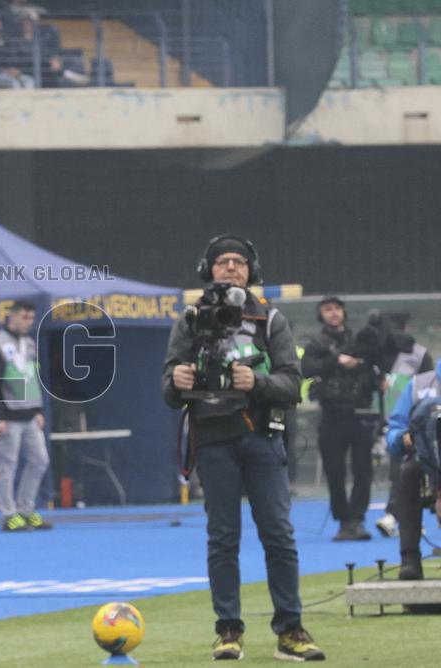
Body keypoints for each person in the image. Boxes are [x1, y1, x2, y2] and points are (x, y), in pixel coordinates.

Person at [163, 234, 325, 662]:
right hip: (214, 442)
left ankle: (290, 630)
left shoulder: (270, 320)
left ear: (252, 271)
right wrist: (176, 381)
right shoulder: (191, 320)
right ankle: (228, 630)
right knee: (222, 538)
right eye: (222, 262)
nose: (231, 267)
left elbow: (293, 386)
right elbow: (167, 390)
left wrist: (258, 383)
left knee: (279, 534)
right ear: (208, 269)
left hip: (263, 439)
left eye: (239, 261)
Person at [302, 296, 379, 541]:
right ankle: (343, 519)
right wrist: (336, 360)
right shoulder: (316, 344)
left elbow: (377, 362)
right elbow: (307, 367)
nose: (333, 313)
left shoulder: (359, 339)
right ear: (321, 315)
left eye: (337, 309)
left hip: (359, 413)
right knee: (334, 472)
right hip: (332, 414)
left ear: (344, 312)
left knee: (363, 470)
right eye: (328, 309)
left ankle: (357, 518)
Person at [0, 299, 52, 531]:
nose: (29, 322)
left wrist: (38, 410)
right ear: (12, 316)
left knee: (40, 460)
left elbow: (32, 378)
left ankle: (26, 509)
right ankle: (9, 514)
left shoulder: (29, 342)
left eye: (31, 317)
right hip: (9, 416)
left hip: (30, 415)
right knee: (8, 464)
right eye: (25, 317)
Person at [372, 312, 434, 538]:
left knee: (415, 475)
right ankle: (397, 515)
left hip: (421, 428)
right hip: (394, 423)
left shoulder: (420, 355)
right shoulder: (379, 355)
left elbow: (430, 391)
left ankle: (402, 516)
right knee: (397, 471)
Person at [385, 358, 441, 580]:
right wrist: (402, 439)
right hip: (425, 462)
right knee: (407, 473)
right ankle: (409, 558)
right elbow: (394, 429)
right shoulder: (418, 384)